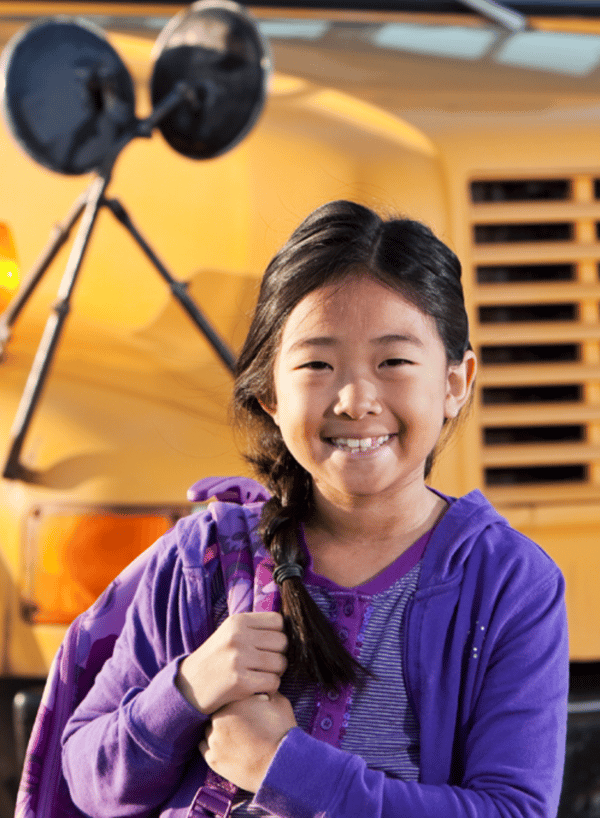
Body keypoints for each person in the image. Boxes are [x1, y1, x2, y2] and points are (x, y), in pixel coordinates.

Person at [60, 199, 568, 818]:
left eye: (395, 362)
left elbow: (512, 810)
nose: (355, 400)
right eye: (318, 364)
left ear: (455, 384)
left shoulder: (508, 582)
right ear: (271, 392)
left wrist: (281, 766)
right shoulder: (204, 560)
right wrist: (187, 690)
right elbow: (88, 778)